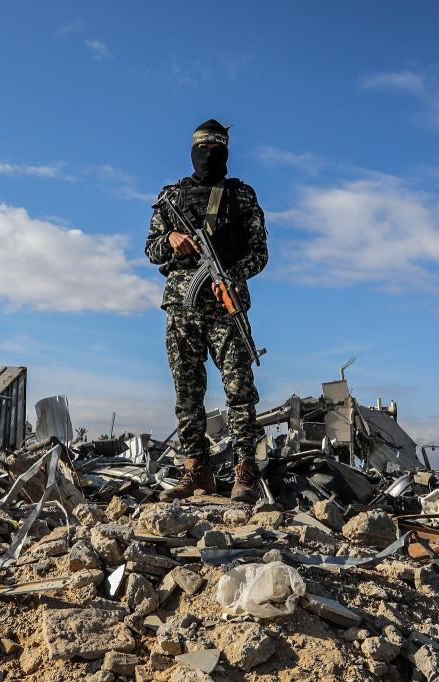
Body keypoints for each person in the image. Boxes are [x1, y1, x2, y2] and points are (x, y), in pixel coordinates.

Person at [144, 119, 268, 503]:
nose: (208, 157)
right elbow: (150, 249)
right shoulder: (171, 197)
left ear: (227, 153)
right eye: (203, 150)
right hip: (182, 307)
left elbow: (260, 253)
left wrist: (233, 273)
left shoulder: (242, 197)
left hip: (226, 307)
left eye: (216, 151)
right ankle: (195, 469)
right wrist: (170, 239)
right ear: (192, 151)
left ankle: (245, 467)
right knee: (187, 391)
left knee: (239, 389)